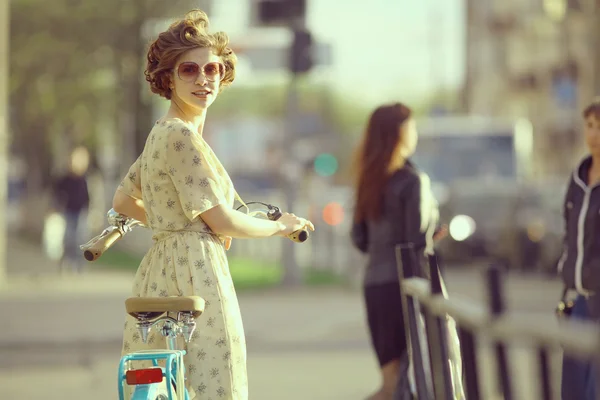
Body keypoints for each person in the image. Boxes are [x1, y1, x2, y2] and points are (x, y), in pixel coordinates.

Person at [113, 10, 314, 400]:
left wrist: (169, 225)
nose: (203, 78)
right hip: (197, 272)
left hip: (158, 270)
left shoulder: (161, 133)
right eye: (189, 69)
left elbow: (122, 200)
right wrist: (280, 226)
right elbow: (221, 220)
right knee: (217, 386)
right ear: (167, 78)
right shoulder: (181, 136)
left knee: (162, 382)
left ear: (223, 75)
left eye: (213, 69)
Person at [350, 103, 447, 400]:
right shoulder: (413, 181)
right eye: (412, 127)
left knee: (392, 385)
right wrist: (433, 236)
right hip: (405, 289)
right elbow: (414, 243)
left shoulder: (369, 180)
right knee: (415, 383)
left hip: (374, 287)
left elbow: (360, 239)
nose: (414, 133)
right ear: (399, 133)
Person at [559, 98, 600, 400]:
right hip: (578, 301)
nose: (595, 135)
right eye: (590, 126)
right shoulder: (577, 179)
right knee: (573, 391)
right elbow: (568, 234)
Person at [51, 146, 91, 273]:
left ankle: (78, 265)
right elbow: (57, 192)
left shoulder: (84, 179)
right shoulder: (65, 178)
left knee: (80, 239)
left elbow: (88, 196)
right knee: (68, 238)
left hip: (81, 212)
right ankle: (66, 262)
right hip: (68, 212)